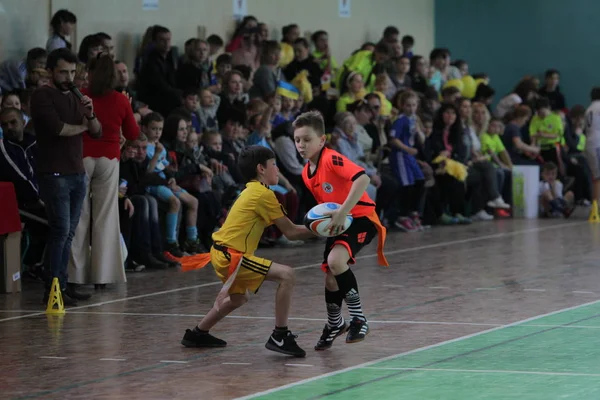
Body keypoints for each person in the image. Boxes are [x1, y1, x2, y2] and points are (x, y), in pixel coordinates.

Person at [180, 146, 314, 357]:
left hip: (221, 252)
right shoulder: (263, 194)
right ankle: (280, 335)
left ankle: (197, 333)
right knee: (287, 275)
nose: (278, 170)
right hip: (232, 256)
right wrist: (326, 229)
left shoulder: (252, 189)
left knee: (238, 298)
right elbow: (291, 232)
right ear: (261, 169)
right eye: (274, 165)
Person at [292, 111, 388, 350]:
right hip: (339, 221)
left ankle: (359, 318)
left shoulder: (331, 159)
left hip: (361, 218)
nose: (301, 145)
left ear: (322, 140)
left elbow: (362, 179)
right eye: (297, 140)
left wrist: (344, 211)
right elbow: (326, 205)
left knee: (335, 261)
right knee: (331, 278)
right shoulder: (306, 172)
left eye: (307, 139)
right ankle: (335, 323)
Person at [30, 48, 102, 305]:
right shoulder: (42, 96)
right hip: (54, 173)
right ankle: (52, 287)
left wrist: (90, 113)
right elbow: (59, 129)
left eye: (72, 72)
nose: (68, 77)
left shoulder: (76, 96)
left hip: (77, 173)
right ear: (50, 71)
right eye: (63, 71)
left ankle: (63, 283)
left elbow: (97, 131)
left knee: (69, 233)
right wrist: (84, 125)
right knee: (60, 231)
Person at [69, 54, 139, 287]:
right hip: (109, 159)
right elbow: (132, 134)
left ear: (89, 72)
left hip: (82, 157)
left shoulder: (81, 96)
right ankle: (103, 276)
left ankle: (76, 276)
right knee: (106, 217)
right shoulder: (121, 99)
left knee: (80, 216)